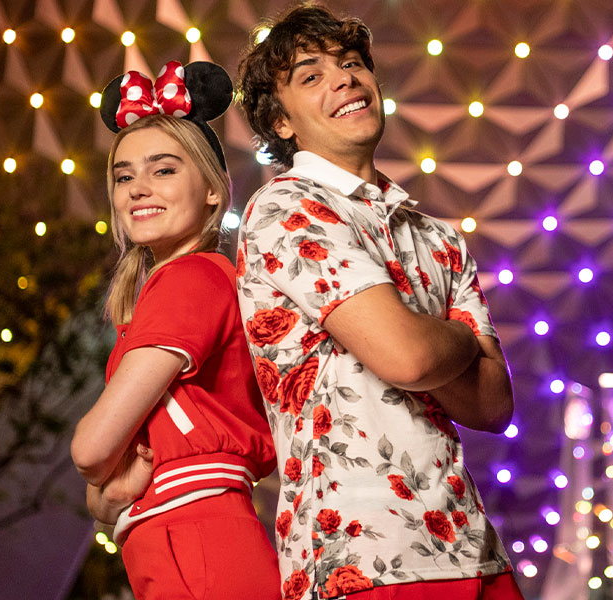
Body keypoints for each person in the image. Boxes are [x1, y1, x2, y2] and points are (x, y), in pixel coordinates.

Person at [234, 6, 523, 599]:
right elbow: (407, 358)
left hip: (472, 549)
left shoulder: (438, 237)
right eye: (310, 75)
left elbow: (493, 405)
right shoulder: (286, 210)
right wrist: (461, 341)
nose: (343, 78)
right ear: (280, 122)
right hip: (360, 558)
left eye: (352, 63)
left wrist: (418, 341)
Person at [70, 60, 280, 599]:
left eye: (164, 170)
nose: (139, 188)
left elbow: (93, 450)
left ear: (212, 190)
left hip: (197, 538)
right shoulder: (177, 285)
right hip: (182, 537)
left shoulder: (190, 280)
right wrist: (105, 496)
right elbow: (103, 490)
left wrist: (101, 486)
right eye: (124, 176)